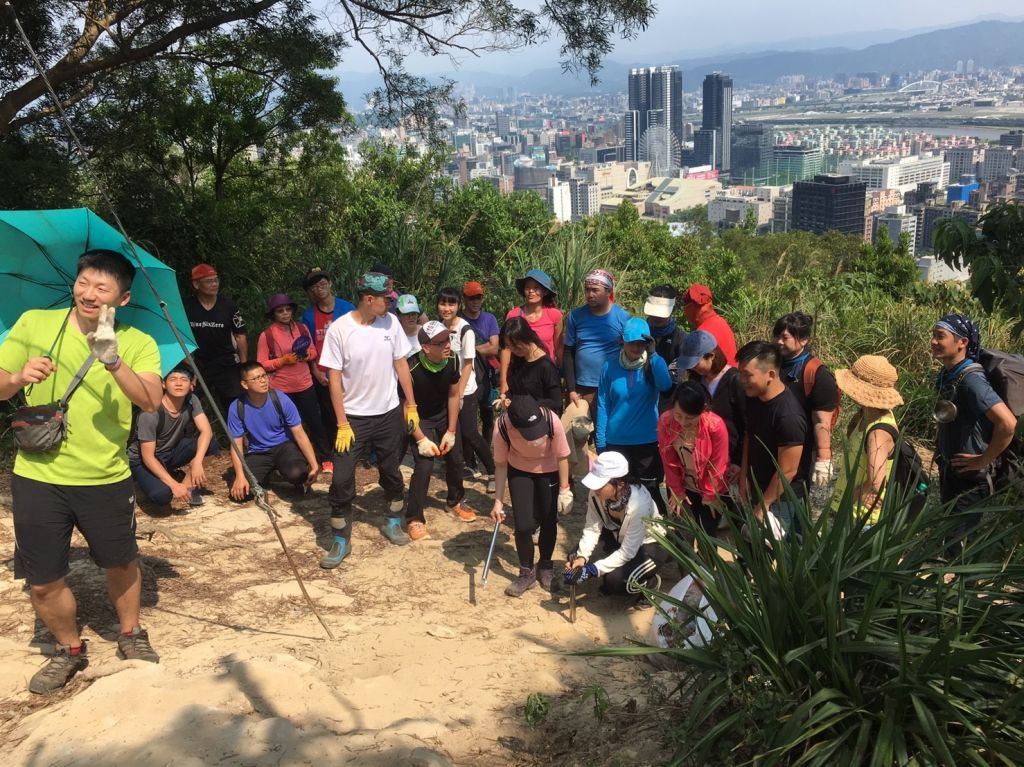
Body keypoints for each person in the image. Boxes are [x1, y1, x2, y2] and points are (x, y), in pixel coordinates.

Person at [0, 248, 164, 694]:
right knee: (42, 580)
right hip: (37, 475)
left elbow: (150, 400)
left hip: (106, 475)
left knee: (121, 562)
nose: (89, 294)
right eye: (84, 282)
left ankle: (130, 632)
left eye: (102, 287)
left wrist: (112, 360)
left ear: (123, 299)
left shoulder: (137, 341)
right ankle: (69, 649)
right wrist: (17, 377)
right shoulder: (35, 322)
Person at [319, 272, 419, 567]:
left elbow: (401, 364)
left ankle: (392, 519)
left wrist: (411, 405)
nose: (390, 305)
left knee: (391, 471)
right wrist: (341, 422)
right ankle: (340, 539)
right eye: (386, 300)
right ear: (368, 299)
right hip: (353, 418)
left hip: (388, 414)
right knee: (341, 479)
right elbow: (333, 379)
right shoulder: (340, 330)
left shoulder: (391, 324)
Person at [931, 314, 1017, 541]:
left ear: (963, 342)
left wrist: (983, 459)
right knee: (949, 543)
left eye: (940, 336)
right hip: (952, 470)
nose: (933, 341)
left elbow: (1007, 423)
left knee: (960, 550)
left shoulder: (972, 380)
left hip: (970, 480)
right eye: (933, 335)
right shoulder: (948, 374)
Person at [490, 395, 572, 597]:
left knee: (548, 519)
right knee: (524, 525)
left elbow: (562, 456)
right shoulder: (502, 427)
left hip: (550, 470)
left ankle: (545, 566)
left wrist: (564, 489)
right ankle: (526, 572)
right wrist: (498, 502)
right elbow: (501, 466)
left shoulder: (552, 420)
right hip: (520, 471)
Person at [403, 322, 478, 540]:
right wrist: (420, 439)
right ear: (426, 348)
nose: (448, 345)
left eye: (448, 339)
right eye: (441, 342)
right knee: (424, 465)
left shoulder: (453, 359)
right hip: (419, 418)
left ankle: (454, 500)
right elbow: (404, 409)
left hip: (444, 414)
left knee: (456, 458)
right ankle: (414, 517)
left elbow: (454, 396)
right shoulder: (410, 368)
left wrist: (452, 430)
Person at [563, 451, 668, 605]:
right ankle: (608, 574)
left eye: (600, 484)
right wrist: (581, 557)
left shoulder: (640, 505)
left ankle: (650, 585)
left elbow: (627, 552)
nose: (595, 489)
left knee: (617, 582)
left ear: (620, 484)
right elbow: (592, 528)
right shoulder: (595, 495)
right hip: (618, 538)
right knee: (574, 556)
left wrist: (592, 570)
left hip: (649, 545)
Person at [596, 318, 673, 516]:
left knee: (650, 492)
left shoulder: (653, 364)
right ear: (623, 341)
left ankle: (658, 535)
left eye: (642, 343)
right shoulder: (609, 367)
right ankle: (617, 534)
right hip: (616, 441)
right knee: (616, 492)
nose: (637, 347)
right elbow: (603, 404)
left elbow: (665, 386)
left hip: (646, 442)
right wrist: (601, 441)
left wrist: (654, 355)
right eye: (632, 342)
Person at [737, 341, 808, 536]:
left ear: (770, 375)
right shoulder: (753, 396)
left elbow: (788, 470)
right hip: (757, 487)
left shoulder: (788, 416)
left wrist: (764, 504)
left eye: (747, 375)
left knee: (774, 553)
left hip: (780, 498)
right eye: (740, 373)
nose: (741, 380)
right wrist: (744, 478)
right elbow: (749, 436)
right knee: (752, 551)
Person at [257, 293, 331, 468]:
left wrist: (307, 355)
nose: (285, 313)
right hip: (281, 389)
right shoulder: (267, 335)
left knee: (315, 422)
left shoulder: (302, 329)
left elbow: (313, 351)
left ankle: (327, 458)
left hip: (305, 384)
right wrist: (282, 361)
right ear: (273, 314)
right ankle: (297, 461)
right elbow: (261, 364)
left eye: (287, 309)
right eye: (280, 310)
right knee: (287, 426)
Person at [227, 361, 319, 500]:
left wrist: (314, 465)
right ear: (245, 384)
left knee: (298, 474)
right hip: (258, 451)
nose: (263, 381)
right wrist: (240, 476)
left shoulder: (281, 399)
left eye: (264, 375)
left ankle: (292, 472)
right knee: (241, 494)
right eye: (256, 378)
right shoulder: (237, 407)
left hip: (285, 447)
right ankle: (265, 475)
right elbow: (236, 445)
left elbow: (300, 434)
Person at [128, 364, 217, 508]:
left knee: (211, 444)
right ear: (163, 384)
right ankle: (156, 480)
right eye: (173, 379)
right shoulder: (150, 412)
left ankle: (187, 487)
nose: (179, 383)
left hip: (170, 452)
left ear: (191, 384)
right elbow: (148, 457)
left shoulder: (191, 400)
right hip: (143, 460)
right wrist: (173, 485)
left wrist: (197, 462)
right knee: (162, 496)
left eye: (184, 379)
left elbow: (206, 431)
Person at [830, 355, 903, 524]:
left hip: (859, 518)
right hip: (851, 510)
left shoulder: (878, 433)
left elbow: (875, 485)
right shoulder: (864, 415)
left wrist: (845, 503)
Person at [773, 312, 839, 495]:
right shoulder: (772, 363)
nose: (778, 341)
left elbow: (821, 420)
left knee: (793, 501)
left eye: (785, 337)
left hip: (800, 453)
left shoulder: (816, 375)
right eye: (777, 335)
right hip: (771, 449)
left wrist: (823, 457)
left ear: (804, 340)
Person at [437, 287, 495, 490]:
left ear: (458, 306)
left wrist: (459, 393)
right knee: (453, 433)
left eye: (451, 304)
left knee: (470, 433)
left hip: (465, 390)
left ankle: (493, 471)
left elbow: (468, 364)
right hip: (446, 389)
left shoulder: (465, 330)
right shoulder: (439, 328)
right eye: (443, 303)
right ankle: (459, 471)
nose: (447, 308)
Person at [658, 381, 730, 536]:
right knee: (684, 535)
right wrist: (676, 491)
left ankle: (708, 560)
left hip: (711, 486)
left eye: (689, 418)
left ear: (703, 411)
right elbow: (668, 460)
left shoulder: (715, 426)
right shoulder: (666, 421)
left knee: (708, 536)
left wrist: (710, 495)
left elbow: (719, 464)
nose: (683, 422)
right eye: (678, 415)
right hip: (682, 485)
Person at [678, 330, 746, 490]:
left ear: (712, 356)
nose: (693, 368)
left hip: (729, 460)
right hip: (701, 459)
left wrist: (738, 461)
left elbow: (746, 425)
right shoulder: (696, 379)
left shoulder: (734, 380)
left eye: (696, 362)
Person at [183, 263, 248, 413]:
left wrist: (243, 365)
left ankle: (239, 435)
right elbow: (180, 336)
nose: (214, 284)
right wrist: (188, 365)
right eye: (209, 281)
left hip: (226, 363)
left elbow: (240, 335)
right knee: (190, 402)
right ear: (196, 284)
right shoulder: (187, 307)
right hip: (198, 363)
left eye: (216, 280)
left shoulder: (228, 305)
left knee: (235, 406)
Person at [300, 267, 355, 445]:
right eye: (315, 285)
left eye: (323, 283)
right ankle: (336, 445)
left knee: (352, 406)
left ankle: (358, 443)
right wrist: (315, 370)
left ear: (330, 283)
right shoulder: (308, 315)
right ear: (311, 291)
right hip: (323, 372)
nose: (319, 287)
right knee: (329, 410)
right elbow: (309, 346)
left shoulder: (347, 308)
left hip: (348, 368)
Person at [565, 269, 631, 411]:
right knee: (578, 430)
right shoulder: (575, 316)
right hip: (581, 387)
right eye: (587, 290)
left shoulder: (623, 318)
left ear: (608, 291)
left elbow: (631, 353)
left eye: (595, 290)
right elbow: (568, 353)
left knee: (606, 430)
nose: (590, 295)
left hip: (611, 385)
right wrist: (571, 389)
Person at [500, 269, 563, 396]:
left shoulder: (554, 315)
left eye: (536, 288)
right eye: (528, 287)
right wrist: (503, 381)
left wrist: (561, 374)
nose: (531, 291)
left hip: (546, 373)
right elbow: (506, 349)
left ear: (545, 291)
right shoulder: (514, 315)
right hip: (519, 373)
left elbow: (559, 348)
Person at [460, 280, 501, 468]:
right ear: (464, 299)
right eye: (471, 298)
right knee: (467, 418)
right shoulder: (460, 320)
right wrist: (480, 349)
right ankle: (470, 461)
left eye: (479, 297)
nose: (476, 301)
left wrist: (470, 348)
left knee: (487, 415)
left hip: (486, 374)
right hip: (466, 375)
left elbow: (494, 347)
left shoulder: (489, 319)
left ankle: (484, 454)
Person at [498, 316, 563, 414]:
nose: (512, 350)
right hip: (519, 419)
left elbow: (556, 402)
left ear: (526, 338)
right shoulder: (518, 359)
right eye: (509, 346)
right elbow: (515, 388)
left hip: (538, 422)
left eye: (515, 345)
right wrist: (506, 397)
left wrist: (527, 404)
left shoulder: (545, 366)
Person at [644, 284, 688, 412]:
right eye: (654, 312)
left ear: (673, 310)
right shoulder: (638, 332)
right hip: (637, 405)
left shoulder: (681, 339)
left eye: (661, 313)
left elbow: (672, 380)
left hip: (667, 407)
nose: (657, 317)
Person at [681, 283, 737, 367]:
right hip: (733, 376)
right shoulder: (720, 321)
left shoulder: (702, 334)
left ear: (692, 307)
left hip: (721, 378)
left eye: (686, 304)